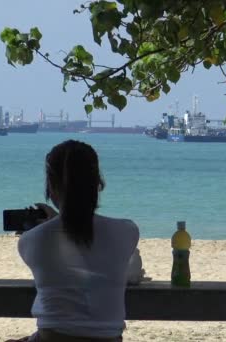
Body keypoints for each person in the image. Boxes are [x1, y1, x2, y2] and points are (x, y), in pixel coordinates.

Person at [7, 140, 140, 342]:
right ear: (98, 184)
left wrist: (50, 224)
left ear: (51, 186)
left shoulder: (31, 240)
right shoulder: (127, 231)